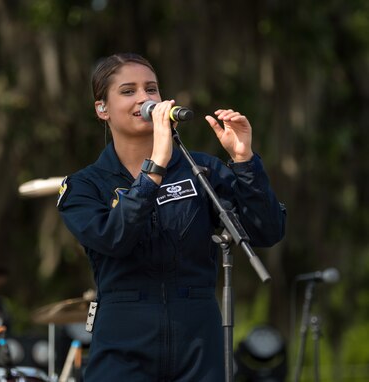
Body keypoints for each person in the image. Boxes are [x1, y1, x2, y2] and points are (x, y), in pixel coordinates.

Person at [56, 53, 286, 381]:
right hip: (123, 341)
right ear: (102, 109)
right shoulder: (84, 185)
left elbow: (267, 231)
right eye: (128, 91)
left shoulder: (201, 170)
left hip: (197, 340)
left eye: (151, 89)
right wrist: (156, 166)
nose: (144, 98)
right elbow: (113, 238)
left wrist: (244, 161)